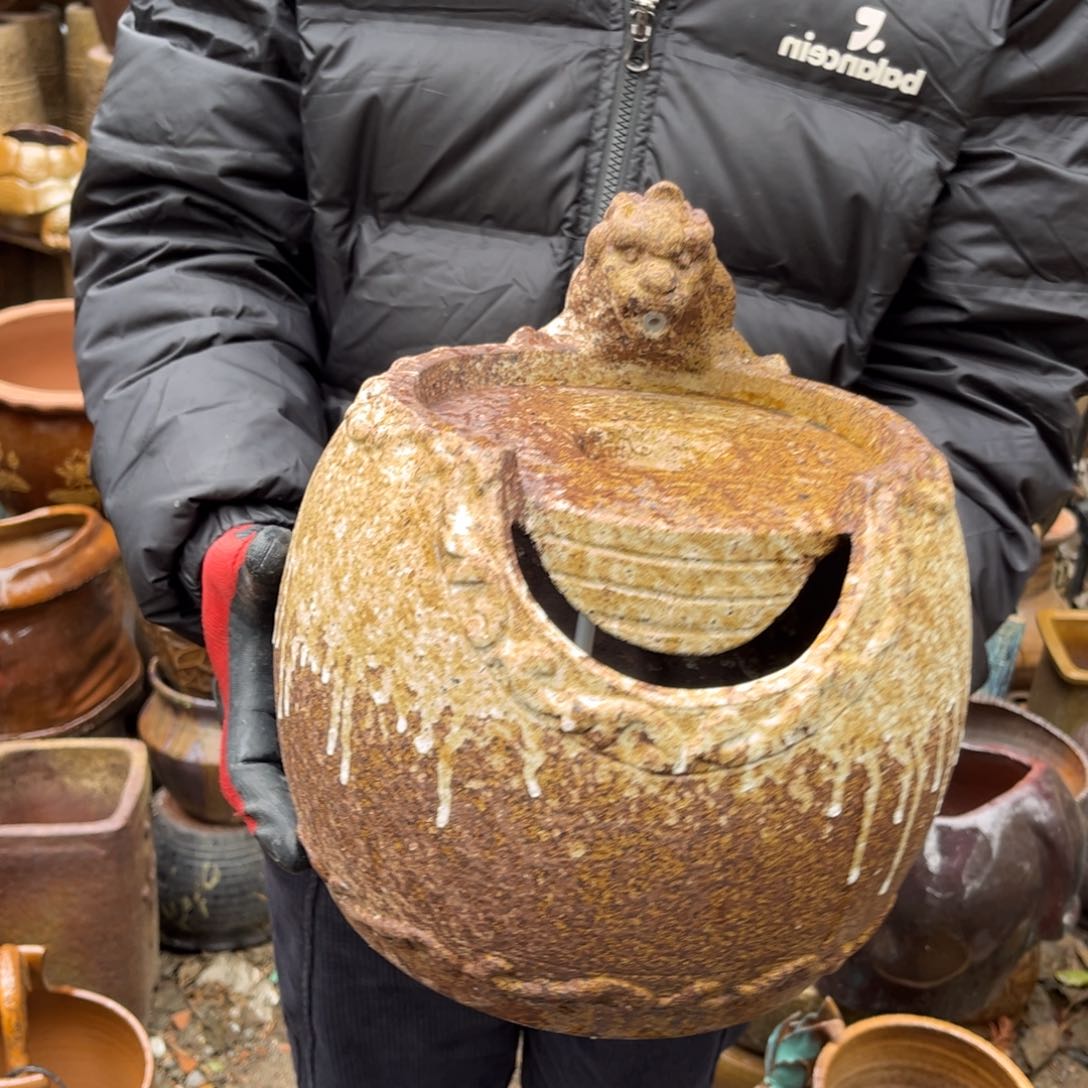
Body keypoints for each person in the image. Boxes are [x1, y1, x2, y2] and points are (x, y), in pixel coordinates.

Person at [72, 1, 1088, 1085]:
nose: (654, 291)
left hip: (742, 724)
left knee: (648, 1035)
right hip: (379, 676)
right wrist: (235, 520)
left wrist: (889, 627)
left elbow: (996, 343)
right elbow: (182, 216)